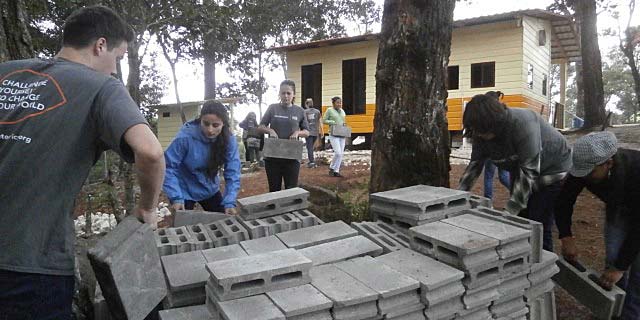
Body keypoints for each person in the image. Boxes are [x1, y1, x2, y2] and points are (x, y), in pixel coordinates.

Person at [0, 6, 165, 318]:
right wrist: (147, 207)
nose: (116, 69)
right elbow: (151, 152)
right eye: (118, 57)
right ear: (100, 46)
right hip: (29, 267)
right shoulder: (100, 87)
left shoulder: (6, 72)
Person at [458, 94, 571, 251]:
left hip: (551, 169)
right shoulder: (479, 130)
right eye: (476, 130)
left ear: (494, 123)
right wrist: (457, 197)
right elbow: (475, 165)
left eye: (482, 131)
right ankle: (520, 258)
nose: (479, 135)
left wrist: (508, 212)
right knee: (520, 219)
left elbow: (529, 171)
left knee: (537, 222)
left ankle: (541, 263)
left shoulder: (522, 123)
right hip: (520, 168)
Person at [555, 131, 640, 319]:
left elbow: (637, 228)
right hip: (619, 208)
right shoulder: (586, 168)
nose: (583, 177)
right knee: (613, 258)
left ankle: (632, 313)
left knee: (636, 274)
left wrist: (620, 267)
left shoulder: (635, 172)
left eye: (589, 173)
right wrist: (566, 236)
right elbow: (564, 201)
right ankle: (613, 309)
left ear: (608, 163)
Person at [163, 101, 241, 214]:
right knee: (182, 225)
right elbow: (168, 167)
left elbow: (233, 172)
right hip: (183, 188)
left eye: (215, 125)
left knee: (221, 219)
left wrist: (229, 201)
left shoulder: (229, 140)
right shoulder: (184, 137)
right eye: (206, 123)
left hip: (209, 187)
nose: (210, 130)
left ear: (223, 124)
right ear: (200, 120)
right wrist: (175, 196)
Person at [258, 80, 309, 191]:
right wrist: (270, 131)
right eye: (283, 93)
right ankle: (274, 208)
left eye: (288, 93)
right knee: (274, 189)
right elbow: (261, 126)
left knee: (291, 189)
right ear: (279, 94)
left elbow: (307, 132)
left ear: (293, 94)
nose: (285, 96)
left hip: (292, 156)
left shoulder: (299, 111)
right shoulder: (272, 108)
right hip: (273, 156)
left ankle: (290, 209)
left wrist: (297, 132)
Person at [483, 91, 510, 200]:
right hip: (506, 151)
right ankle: (519, 195)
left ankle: (488, 201)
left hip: (492, 151)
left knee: (489, 176)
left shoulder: (488, 114)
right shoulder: (504, 112)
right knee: (503, 177)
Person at [323, 96, 347, 177]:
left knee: (341, 153)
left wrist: (344, 126)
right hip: (333, 133)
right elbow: (324, 120)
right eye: (337, 102)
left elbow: (343, 121)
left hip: (342, 133)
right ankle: (332, 167)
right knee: (338, 152)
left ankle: (336, 170)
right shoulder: (329, 110)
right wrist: (332, 122)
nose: (339, 104)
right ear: (333, 103)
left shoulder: (342, 111)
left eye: (340, 102)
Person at [303, 98, 323, 168]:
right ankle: (311, 159)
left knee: (309, 147)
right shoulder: (317, 111)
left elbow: (303, 122)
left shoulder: (305, 112)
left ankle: (311, 161)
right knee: (311, 147)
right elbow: (320, 121)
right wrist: (322, 131)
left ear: (306, 104)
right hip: (315, 132)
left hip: (308, 132)